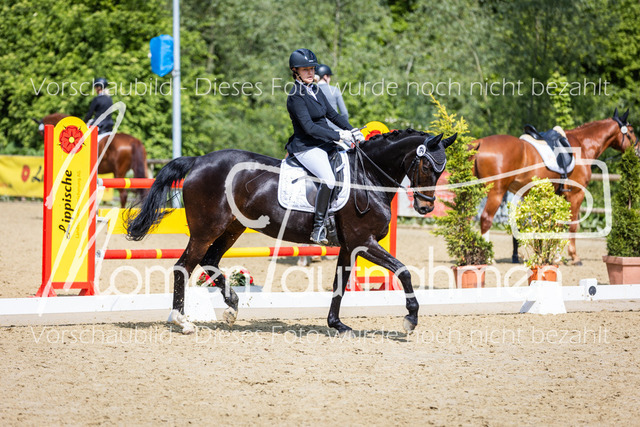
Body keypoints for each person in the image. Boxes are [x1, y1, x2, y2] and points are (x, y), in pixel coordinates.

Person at [286, 48, 364, 245]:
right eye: (305, 69)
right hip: (306, 147)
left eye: (312, 69)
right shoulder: (295, 96)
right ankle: (318, 227)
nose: (310, 73)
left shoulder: (316, 90)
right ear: (295, 71)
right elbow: (309, 128)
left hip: (325, 143)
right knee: (328, 180)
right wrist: (339, 135)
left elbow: (333, 115)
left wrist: (352, 130)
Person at [315, 64, 348, 130]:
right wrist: (345, 127)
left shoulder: (312, 91)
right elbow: (344, 113)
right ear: (325, 76)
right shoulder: (334, 90)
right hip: (336, 129)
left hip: (319, 130)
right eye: (329, 76)